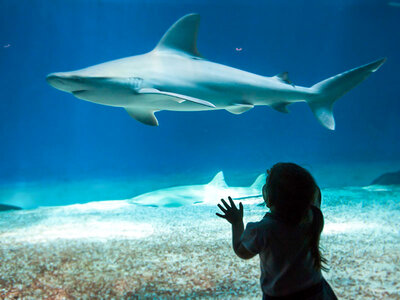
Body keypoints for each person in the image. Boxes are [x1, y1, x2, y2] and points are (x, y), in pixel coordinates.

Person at [216, 163, 337, 299]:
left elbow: (241, 251)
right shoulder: (311, 219)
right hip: (316, 292)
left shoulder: (263, 230)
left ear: (270, 197)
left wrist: (237, 222)